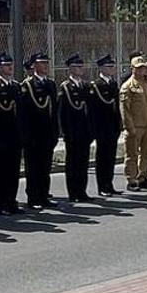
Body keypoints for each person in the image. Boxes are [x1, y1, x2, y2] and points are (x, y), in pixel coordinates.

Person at [0, 53, 24, 215]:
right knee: (1, 170)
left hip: (15, 136)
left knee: (14, 170)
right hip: (0, 137)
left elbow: (21, 114)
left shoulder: (15, 86)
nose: (10, 67)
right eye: (6, 65)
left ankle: (11, 200)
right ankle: (1, 202)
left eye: (11, 64)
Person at [18, 52, 58, 209]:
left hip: (47, 133)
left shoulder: (50, 84)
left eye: (46, 63)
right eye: (42, 63)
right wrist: (25, 135)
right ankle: (33, 197)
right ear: (34, 65)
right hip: (33, 134)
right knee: (33, 167)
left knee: (45, 166)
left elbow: (53, 111)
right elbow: (24, 114)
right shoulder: (27, 86)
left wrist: (55, 131)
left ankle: (43, 195)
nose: (45, 66)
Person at [119, 55, 147, 190]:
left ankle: (142, 176)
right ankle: (131, 179)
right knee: (132, 154)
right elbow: (125, 110)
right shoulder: (128, 87)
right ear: (133, 69)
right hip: (135, 126)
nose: (143, 70)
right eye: (139, 68)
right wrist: (129, 127)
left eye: (144, 67)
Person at [57, 54, 95, 201]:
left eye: (81, 66)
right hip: (73, 132)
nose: (80, 69)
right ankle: (73, 193)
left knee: (83, 162)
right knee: (73, 163)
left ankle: (82, 191)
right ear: (71, 69)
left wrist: (91, 130)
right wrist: (65, 132)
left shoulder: (85, 86)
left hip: (85, 132)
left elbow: (90, 111)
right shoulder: (66, 88)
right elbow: (63, 113)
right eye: (77, 67)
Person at [87, 55, 123, 196]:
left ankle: (109, 183)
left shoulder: (113, 84)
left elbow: (116, 106)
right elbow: (93, 110)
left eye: (112, 67)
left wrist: (119, 123)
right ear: (101, 68)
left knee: (111, 157)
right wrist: (94, 129)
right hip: (102, 127)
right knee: (102, 157)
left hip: (112, 127)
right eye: (108, 67)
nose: (111, 69)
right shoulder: (96, 86)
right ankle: (102, 186)